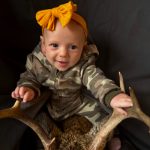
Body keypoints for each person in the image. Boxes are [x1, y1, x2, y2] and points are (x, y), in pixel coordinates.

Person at [11, 1, 133, 149]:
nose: (63, 54)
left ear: (83, 47)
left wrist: (113, 96)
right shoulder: (37, 63)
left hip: (77, 104)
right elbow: (30, 77)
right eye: (54, 45)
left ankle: (113, 137)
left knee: (103, 117)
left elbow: (97, 80)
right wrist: (27, 88)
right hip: (50, 106)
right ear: (43, 45)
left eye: (73, 47)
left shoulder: (82, 66)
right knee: (34, 118)